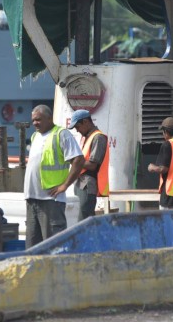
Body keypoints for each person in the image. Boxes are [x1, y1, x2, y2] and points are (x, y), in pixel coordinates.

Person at [24, 104, 85, 248]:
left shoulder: (61, 134)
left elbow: (78, 160)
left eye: (38, 119)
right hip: (32, 199)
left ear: (49, 118)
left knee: (53, 245)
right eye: (33, 120)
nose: (34, 123)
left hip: (50, 200)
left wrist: (65, 185)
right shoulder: (35, 136)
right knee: (33, 246)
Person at [68, 109, 110, 221]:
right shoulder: (87, 137)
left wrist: (73, 160)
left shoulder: (98, 138)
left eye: (77, 126)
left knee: (84, 220)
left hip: (87, 185)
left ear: (85, 122)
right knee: (80, 220)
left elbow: (92, 165)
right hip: (81, 184)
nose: (77, 130)